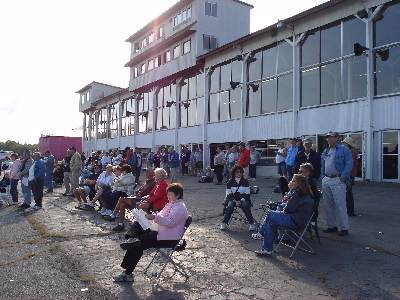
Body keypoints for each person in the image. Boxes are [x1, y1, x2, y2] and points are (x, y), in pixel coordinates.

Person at [113, 183, 189, 283]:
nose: (168, 197)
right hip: (161, 231)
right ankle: (131, 238)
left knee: (137, 245)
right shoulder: (172, 203)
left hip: (168, 238)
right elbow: (162, 216)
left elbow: (170, 222)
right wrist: (150, 217)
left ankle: (127, 273)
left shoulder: (180, 207)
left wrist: (154, 217)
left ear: (178, 195)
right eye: (168, 195)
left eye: (170, 195)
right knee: (138, 224)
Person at [254, 174, 314, 256]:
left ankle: (262, 234)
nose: (291, 182)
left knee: (270, 214)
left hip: (295, 221)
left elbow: (288, 209)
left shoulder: (297, 194)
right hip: (298, 220)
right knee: (271, 221)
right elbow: (288, 207)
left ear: (299, 183)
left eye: (293, 181)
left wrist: (284, 207)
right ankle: (266, 249)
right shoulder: (303, 193)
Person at [321, 132, 353, 236]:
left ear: (337, 138)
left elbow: (349, 163)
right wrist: (323, 177)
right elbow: (323, 164)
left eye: (331, 137)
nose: (329, 140)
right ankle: (332, 226)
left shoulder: (344, 149)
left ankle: (344, 228)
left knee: (340, 204)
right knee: (328, 204)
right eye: (328, 138)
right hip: (326, 179)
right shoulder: (326, 150)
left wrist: (343, 177)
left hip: (338, 180)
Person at [220, 166, 256, 231]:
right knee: (230, 206)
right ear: (234, 173)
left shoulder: (245, 181)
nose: (239, 173)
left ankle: (251, 223)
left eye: (241, 172)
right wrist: (235, 201)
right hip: (232, 198)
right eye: (237, 172)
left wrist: (240, 200)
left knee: (245, 205)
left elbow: (247, 194)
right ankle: (224, 223)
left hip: (243, 198)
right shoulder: (229, 182)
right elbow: (228, 194)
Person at [343, 137, 359, 217]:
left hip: (349, 175)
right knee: (348, 193)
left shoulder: (351, 152)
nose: (344, 144)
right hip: (351, 174)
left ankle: (350, 211)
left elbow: (349, 164)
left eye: (345, 143)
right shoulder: (353, 151)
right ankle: (350, 210)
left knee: (348, 193)